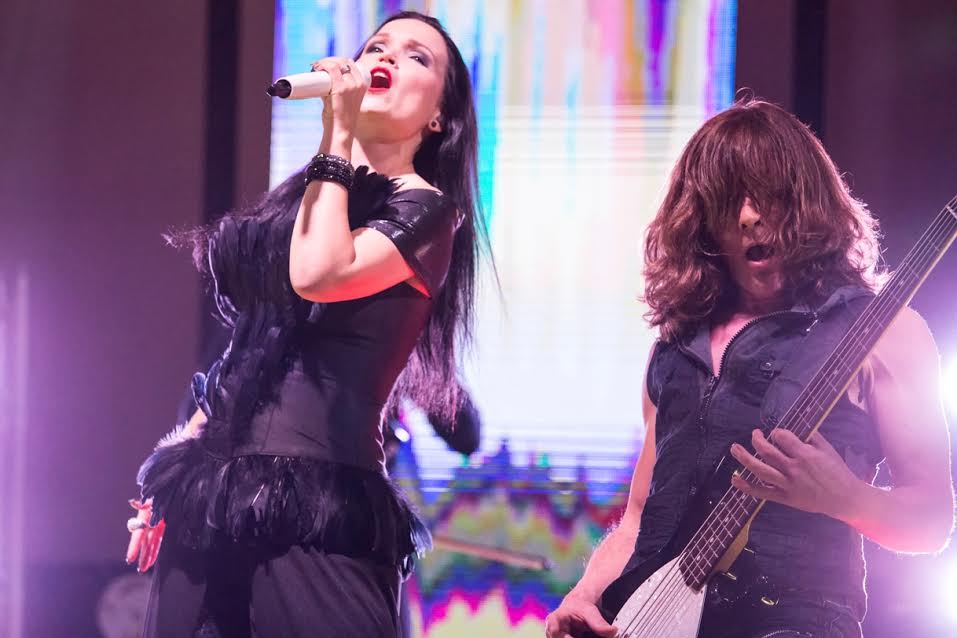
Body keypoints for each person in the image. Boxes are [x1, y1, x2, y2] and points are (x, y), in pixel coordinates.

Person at [125, 11, 488, 637]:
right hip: (212, 498)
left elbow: (320, 273)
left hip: (319, 504)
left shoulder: (427, 211)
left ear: (439, 117)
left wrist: (337, 132)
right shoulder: (302, 203)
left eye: (416, 56)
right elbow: (246, 350)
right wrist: (175, 469)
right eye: (377, 45)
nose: (387, 56)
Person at [545, 99, 954, 638]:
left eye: (766, 194)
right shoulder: (674, 347)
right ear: (700, 221)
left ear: (806, 200)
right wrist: (583, 595)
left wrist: (845, 498)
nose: (748, 217)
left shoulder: (886, 333)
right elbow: (640, 519)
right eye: (726, 200)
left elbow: (931, 522)